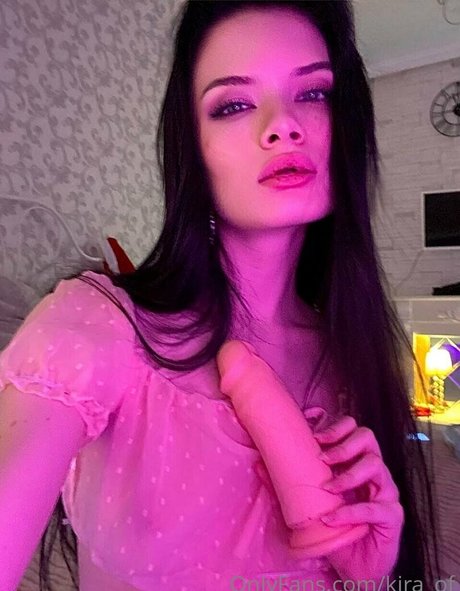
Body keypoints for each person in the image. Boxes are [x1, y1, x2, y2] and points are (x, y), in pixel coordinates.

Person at [0, 1, 442, 590]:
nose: (283, 125)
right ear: (194, 150)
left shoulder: (351, 353)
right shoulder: (99, 325)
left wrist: (371, 571)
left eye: (313, 93)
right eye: (233, 105)